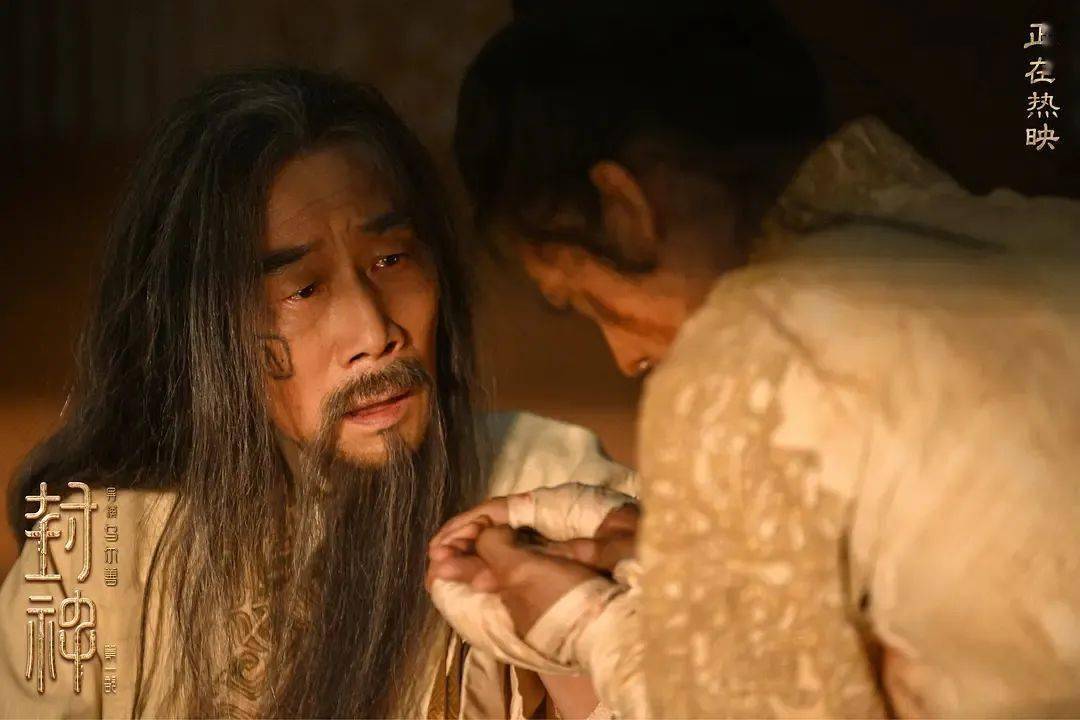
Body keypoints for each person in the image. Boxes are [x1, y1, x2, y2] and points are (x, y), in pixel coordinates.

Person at [432, 2, 1080, 717]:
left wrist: (589, 622)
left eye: (584, 299)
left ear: (623, 207)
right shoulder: (1037, 227)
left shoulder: (749, 354)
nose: (625, 357)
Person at [0, 67, 636, 719]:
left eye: (391, 260)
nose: (374, 334)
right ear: (201, 330)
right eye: (303, 290)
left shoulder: (551, 496)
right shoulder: (89, 560)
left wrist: (581, 632)